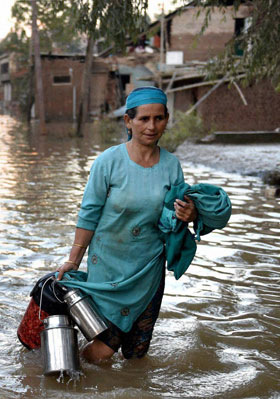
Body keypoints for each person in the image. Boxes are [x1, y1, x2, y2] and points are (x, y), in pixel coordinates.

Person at [56, 86, 197, 363]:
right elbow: (89, 213)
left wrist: (189, 215)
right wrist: (73, 260)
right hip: (109, 267)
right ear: (128, 121)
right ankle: (76, 378)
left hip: (148, 270)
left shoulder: (171, 165)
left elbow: (173, 217)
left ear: (167, 120)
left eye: (159, 118)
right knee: (105, 348)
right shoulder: (108, 162)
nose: (151, 126)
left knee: (137, 353)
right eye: (143, 119)